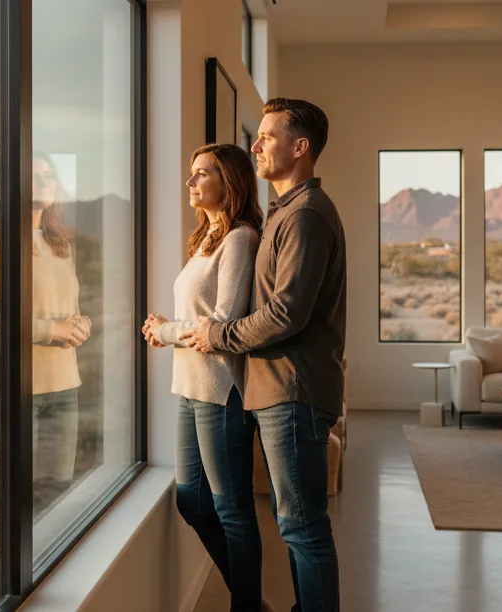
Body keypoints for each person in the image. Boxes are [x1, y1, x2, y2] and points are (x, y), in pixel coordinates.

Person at [180, 98, 346, 612]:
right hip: (275, 388)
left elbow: (286, 315)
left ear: (300, 148)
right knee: (295, 523)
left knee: (302, 527)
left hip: (293, 389)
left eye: (268, 136)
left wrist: (217, 334)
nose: (256, 144)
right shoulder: (285, 213)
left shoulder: (307, 217)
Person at [142, 143, 265, 610]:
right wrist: (168, 329)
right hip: (189, 387)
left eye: (201, 174)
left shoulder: (240, 238)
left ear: (228, 181)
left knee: (232, 510)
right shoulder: (205, 240)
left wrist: (165, 330)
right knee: (192, 501)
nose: (191, 183)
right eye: (191, 174)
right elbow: (196, 316)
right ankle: (250, 598)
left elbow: (224, 320)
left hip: (221, 390)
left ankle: (246, 605)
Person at [0, 151, 91, 492]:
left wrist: (80, 325)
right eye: (35, 174)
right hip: (17, 387)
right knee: (18, 498)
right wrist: (53, 330)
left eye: (49, 174)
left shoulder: (59, 244)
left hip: (65, 384)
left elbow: (66, 306)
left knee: (57, 491)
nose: (46, 180)